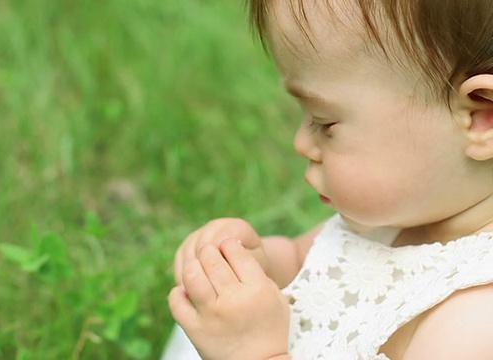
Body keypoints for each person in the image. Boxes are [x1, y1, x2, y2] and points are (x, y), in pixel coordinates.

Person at [163, 0, 493, 359]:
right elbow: (303, 263)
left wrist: (254, 352)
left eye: (324, 121)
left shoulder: (474, 319)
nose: (301, 142)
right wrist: (255, 265)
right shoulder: (389, 220)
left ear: (481, 118)